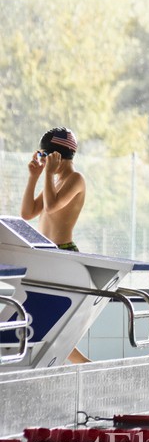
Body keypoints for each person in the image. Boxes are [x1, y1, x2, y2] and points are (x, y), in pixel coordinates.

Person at [20, 127, 89, 365]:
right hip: (47, 254)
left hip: (63, 253)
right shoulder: (56, 180)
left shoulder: (75, 180)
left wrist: (47, 175)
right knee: (47, 321)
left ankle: (84, 365)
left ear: (57, 155)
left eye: (44, 156)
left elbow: (51, 207)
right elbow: (28, 213)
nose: (41, 161)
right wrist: (34, 177)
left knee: (52, 321)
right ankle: (83, 365)